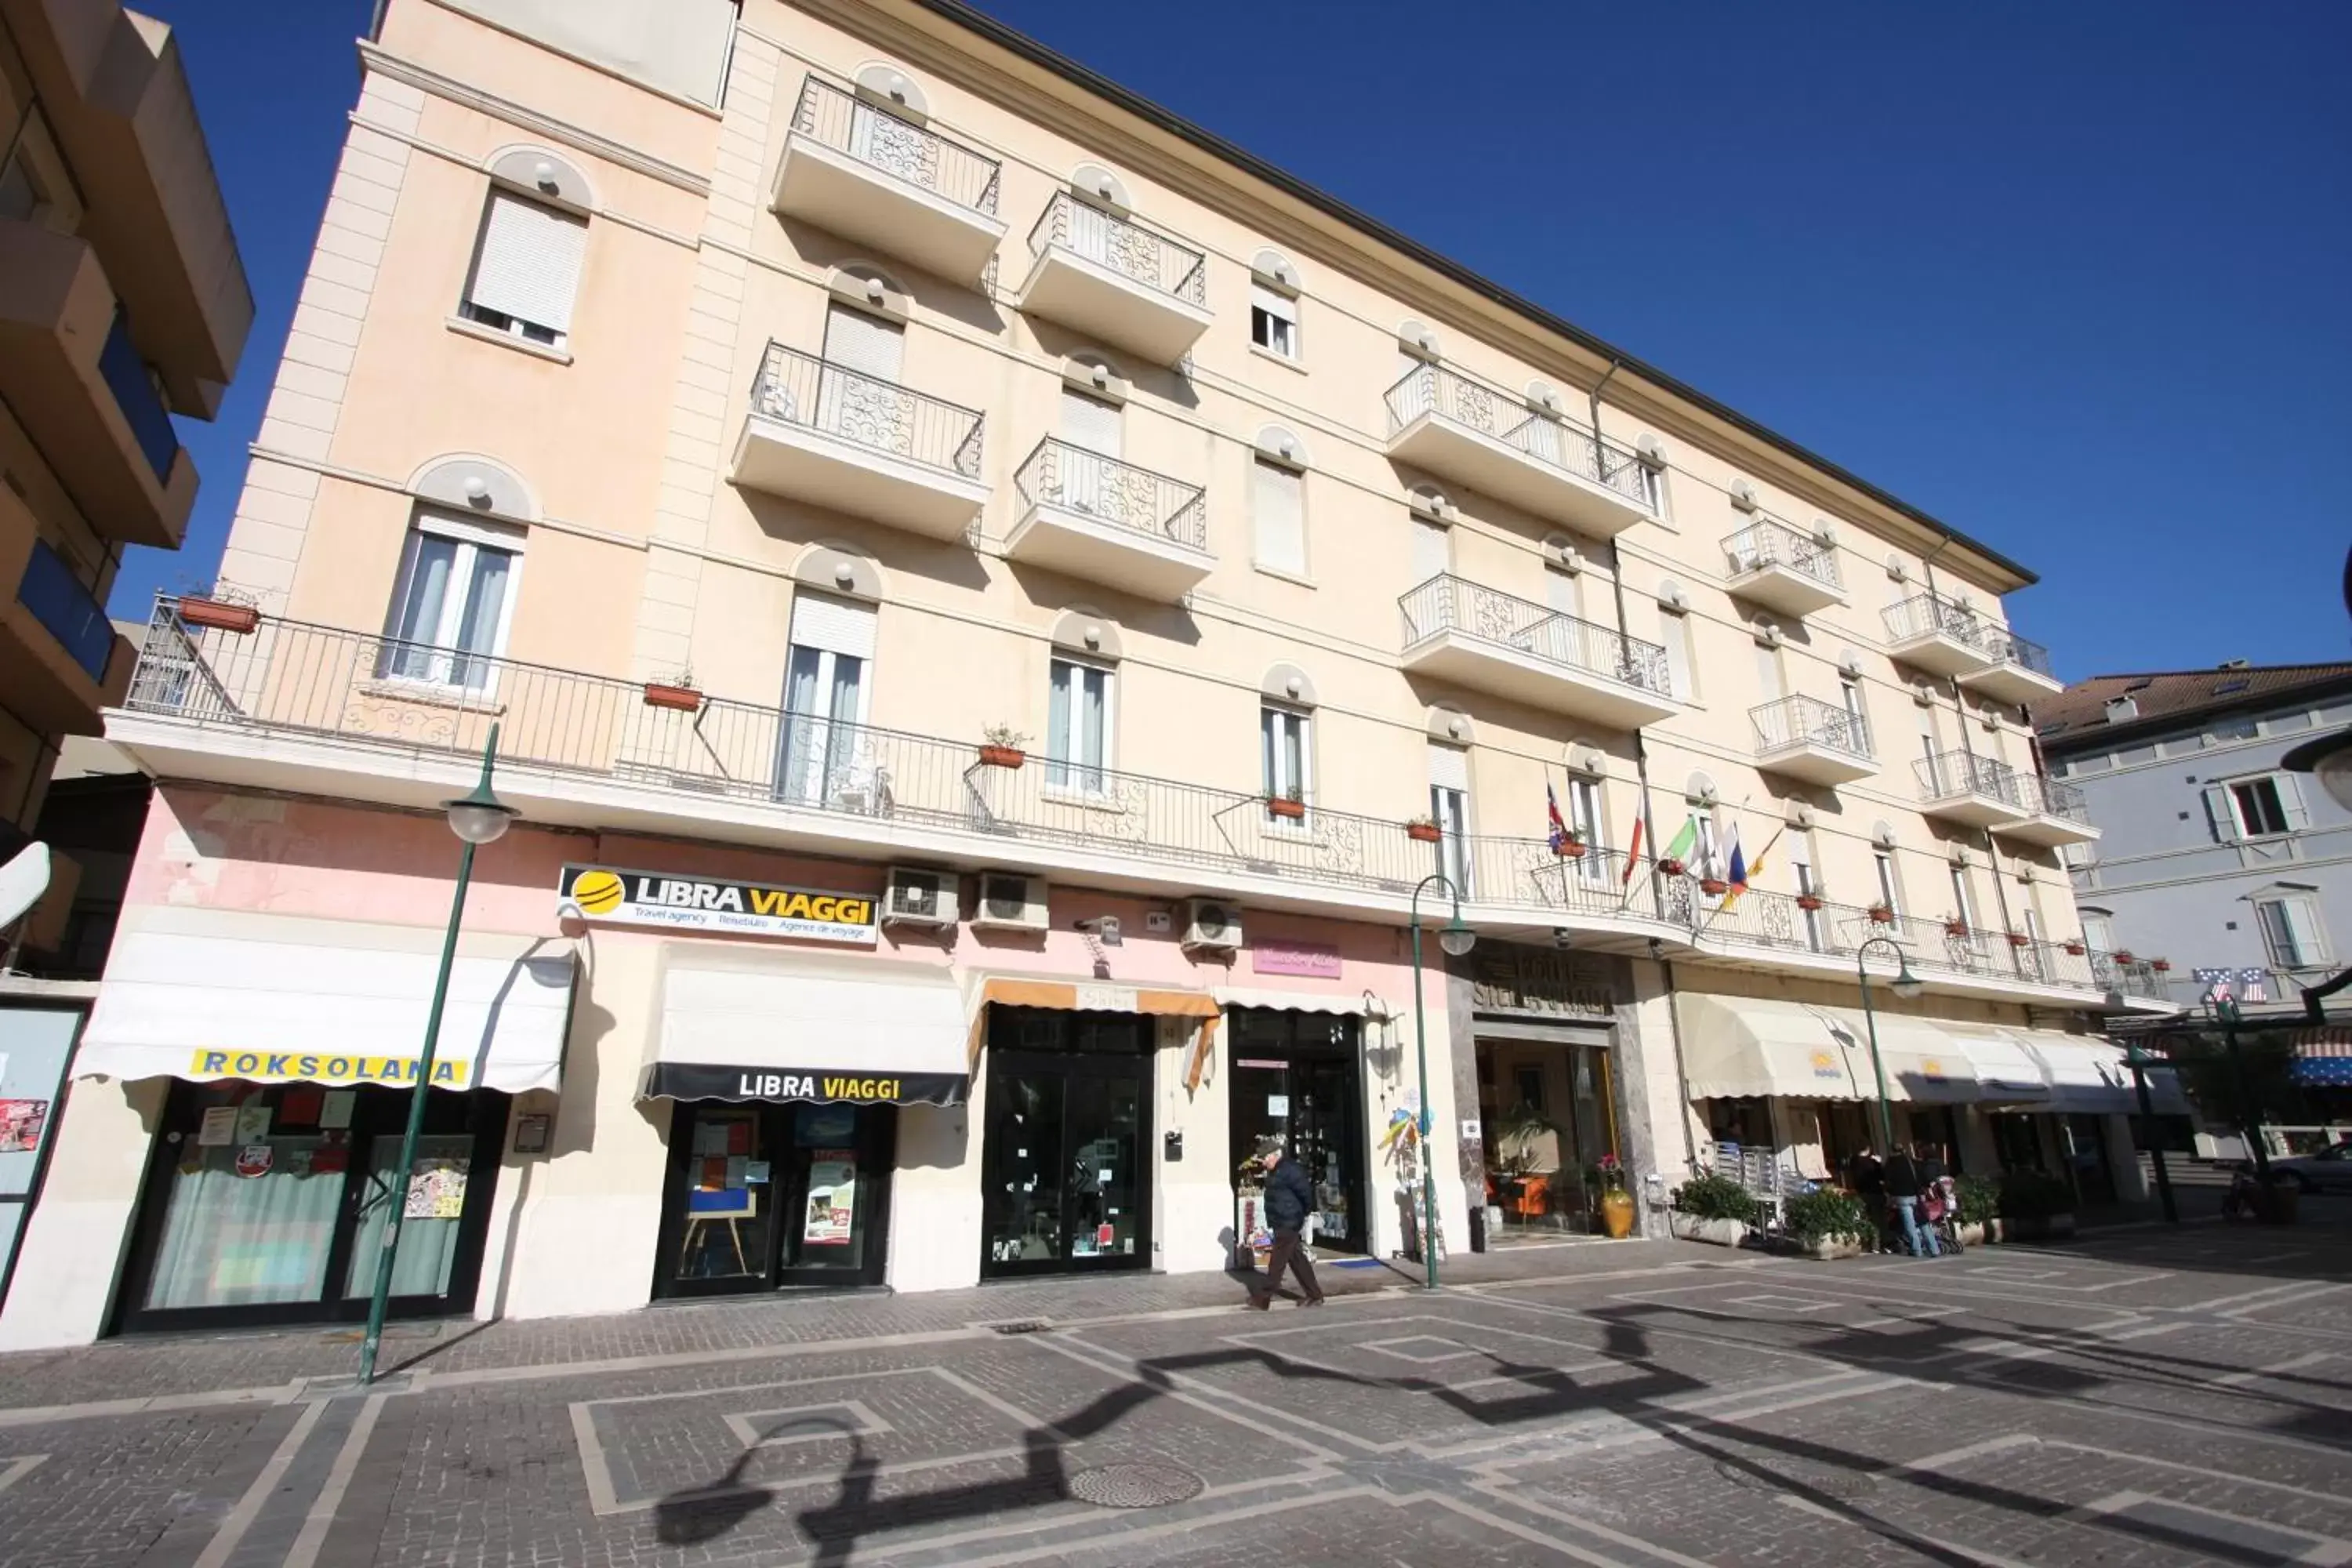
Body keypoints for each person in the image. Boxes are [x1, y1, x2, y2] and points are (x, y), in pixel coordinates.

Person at [1247, 1139, 1323, 1309]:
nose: (1263, 1162)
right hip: (1281, 1219)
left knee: (1277, 1262)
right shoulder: (1276, 1171)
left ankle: (1263, 1298)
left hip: (1289, 1220)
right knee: (1297, 1259)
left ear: (1275, 1155)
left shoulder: (1290, 1170)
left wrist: (1306, 1212)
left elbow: (1305, 1193)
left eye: (1265, 1158)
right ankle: (1315, 1294)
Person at [1882, 1143, 1940, 1258]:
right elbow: (1922, 1178)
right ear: (1903, 1150)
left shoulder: (1891, 1163)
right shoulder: (1911, 1161)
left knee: (1910, 1225)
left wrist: (1890, 1192)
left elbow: (1886, 1180)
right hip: (1915, 1196)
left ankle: (1917, 1250)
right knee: (1923, 1223)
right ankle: (1934, 1249)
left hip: (1901, 1197)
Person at [1846, 1147, 1886, 1252]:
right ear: (1867, 1149)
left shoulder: (1853, 1162)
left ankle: (1865, 1242)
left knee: (1864, 1219)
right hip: (1875, 1193)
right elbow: (1882, 1176)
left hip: (1861, 1193)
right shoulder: (1872, 1163)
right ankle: (1877, 1245)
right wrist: (1879, 1163)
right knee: (1878, 1220)